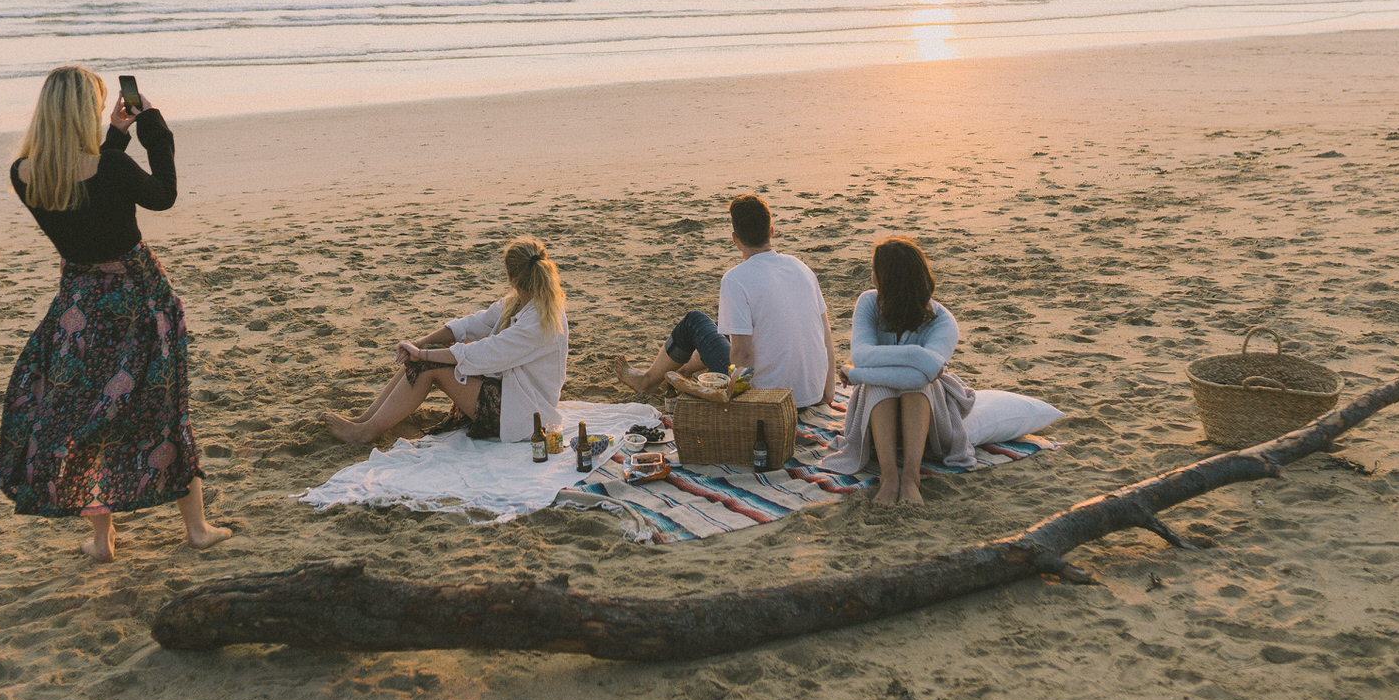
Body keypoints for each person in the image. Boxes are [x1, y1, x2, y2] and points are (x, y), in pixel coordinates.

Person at [0, 65, 230, 563]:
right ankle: (197, 529)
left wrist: (114, 139)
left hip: (78, 310)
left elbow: (87, 200)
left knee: (87, 418)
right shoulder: (112, 170)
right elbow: (158, 195)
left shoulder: (24, 174)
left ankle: (102, 541)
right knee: (164, 411)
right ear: (85, 111)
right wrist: (153, 128)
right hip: (138, 302)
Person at [324, 237, 569, 445]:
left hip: (523, 414)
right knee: (424, 355)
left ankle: (365, 432)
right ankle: (365, 419)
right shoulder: (519, 303)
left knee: (428, 366)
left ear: (509, 275)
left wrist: (423, 355)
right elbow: (469, 326)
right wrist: (417, 345)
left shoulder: (540, 320)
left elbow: (486, 353)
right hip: (507, 392)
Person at [616, 195, 833, 409]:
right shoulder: (801, 268)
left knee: (696, 322)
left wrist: (738, 405)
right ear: (772, 232)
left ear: (735, 239)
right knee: (731, 329)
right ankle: (684, 371)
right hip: (811, 395)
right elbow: (826, 337)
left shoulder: (736, 278)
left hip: (766, 399)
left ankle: (646, 383)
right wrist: (827, 393)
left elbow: (743, 354)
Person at [820, 237, 977, 506]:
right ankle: (889, 476)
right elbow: (861, 355)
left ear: (888, 279)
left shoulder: (942, 321)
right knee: (883, 386)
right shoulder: (869, 303)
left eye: (875, 271)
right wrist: (919, 357)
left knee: (916, 387)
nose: (871, 277)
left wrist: (857, 375)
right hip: (877, 402)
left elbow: (920, 378)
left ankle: (911, 476)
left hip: (928, 409)